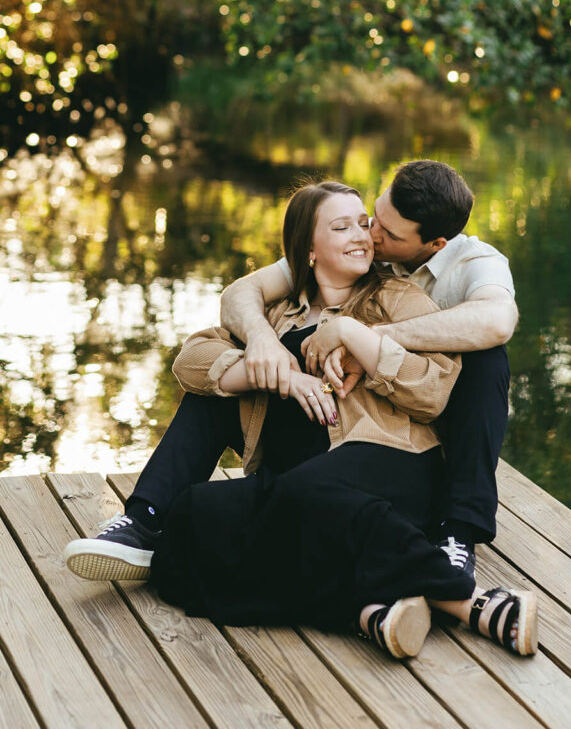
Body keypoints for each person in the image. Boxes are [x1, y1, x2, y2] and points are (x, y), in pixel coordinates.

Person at [65, 180, 536, 658]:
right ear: (308, 250)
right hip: (293, 479)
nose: (365, 235)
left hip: (386, 460)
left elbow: (435, 391)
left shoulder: (396, 297)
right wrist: (273, 368)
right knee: (192, 515)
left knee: (301, 497)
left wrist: (359, 339)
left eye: (364, 223)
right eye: (344, 225)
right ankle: (368, 612)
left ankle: (468, 600)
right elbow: (190, 361)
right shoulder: (277, 311)